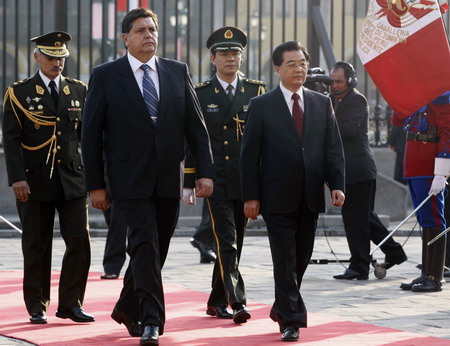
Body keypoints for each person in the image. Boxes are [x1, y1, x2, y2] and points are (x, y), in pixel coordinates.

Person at [81, 7, 214, 345]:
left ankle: (127, 306)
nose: (149, 36)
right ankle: (152, 319)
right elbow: (91, 135)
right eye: (140, 30)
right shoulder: (107, 75)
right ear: (125, 38)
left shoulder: (176, 71)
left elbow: (196, 128)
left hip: (168, 178)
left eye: (152, 29)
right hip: (128, 180)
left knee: (157, 249)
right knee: (143, 245)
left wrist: (204, 173)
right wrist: (96, 185)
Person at [240, 41, 345, 341]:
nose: (298, 69)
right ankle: (292, 320)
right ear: (277, 70)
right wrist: (251, 196)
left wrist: (336, 184)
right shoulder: (261, 105)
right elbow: (249, 155)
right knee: (284, 258)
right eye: (291, 64)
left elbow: (333, 149)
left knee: (301, 257)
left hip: (310, 194)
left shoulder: (320, 103)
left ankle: (282, 306)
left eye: (302, 63)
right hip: (275, 196)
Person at [2, 32, 94, 324]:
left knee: (79, 241)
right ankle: (37, 304)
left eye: (62, 57)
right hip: (34, 180)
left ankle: (71, 303)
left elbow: (88, 139)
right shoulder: (19, 93)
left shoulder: (79, 91)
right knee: (36, 244)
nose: (58, 63)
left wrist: (96, 180)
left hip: (72, 180)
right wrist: (17, 179)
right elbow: (11, 139)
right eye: (52, 57)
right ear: (37, 57)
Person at [183, 26, 266, 324]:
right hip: (214, 179)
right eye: (225, 54)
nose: (231, 58)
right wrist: (189, 181)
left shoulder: (257, 91)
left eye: (236, 53)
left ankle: (215, 300)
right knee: (226, 240)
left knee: (234, 243)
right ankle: (237, 302)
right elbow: (194, 140)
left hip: (245, 180)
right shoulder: (202, 93)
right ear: (212, 59)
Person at [329, 61, 407, 281]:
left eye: (338, 81)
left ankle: (359, 266)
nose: (334, 85)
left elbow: (347, 130)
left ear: (350, 81)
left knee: (356, 220)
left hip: (359, 168)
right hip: (346, 170)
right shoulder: (331, 101)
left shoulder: (357, 100)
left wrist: (322, 119)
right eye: (332, 81)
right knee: (363, 217)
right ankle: (394, 252)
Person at [394, 91, 449, 292]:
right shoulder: (413, 98)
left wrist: (441, 172)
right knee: (423, 220)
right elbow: (397, 120)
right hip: (414, 164)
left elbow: (447, 132)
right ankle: (426, 273)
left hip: (429, 167)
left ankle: (435, 277)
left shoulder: (441, 97)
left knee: (434, 219)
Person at [100, 199, 128, 279]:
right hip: (108, 188)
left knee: (117, 221)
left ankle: (112, 266)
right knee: (112, 220)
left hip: (126, 189)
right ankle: (134, 250)